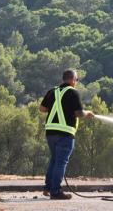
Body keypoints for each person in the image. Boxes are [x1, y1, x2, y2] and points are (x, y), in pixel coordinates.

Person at [39, 69, 94, 200]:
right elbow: (79, 113)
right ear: (73, 79)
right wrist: (88, 113)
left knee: (54, 159)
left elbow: (42, 109)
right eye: (77, 79)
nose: (76, 82)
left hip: (50, 132)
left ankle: (48, 188)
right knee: (61, 162)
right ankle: (56, 191)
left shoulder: (52, 91)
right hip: (65, 133)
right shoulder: (73, 93)